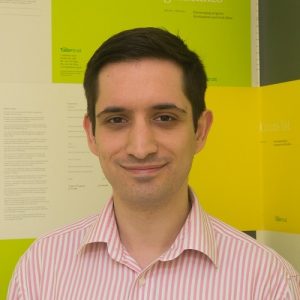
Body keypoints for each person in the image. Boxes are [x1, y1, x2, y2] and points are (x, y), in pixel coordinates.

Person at [8, 27, 300, 300]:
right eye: (117, 120)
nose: (141, 148)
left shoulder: (267, 281)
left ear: (200, 130)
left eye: (164, 118)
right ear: (91, 135)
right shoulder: (41, 269)